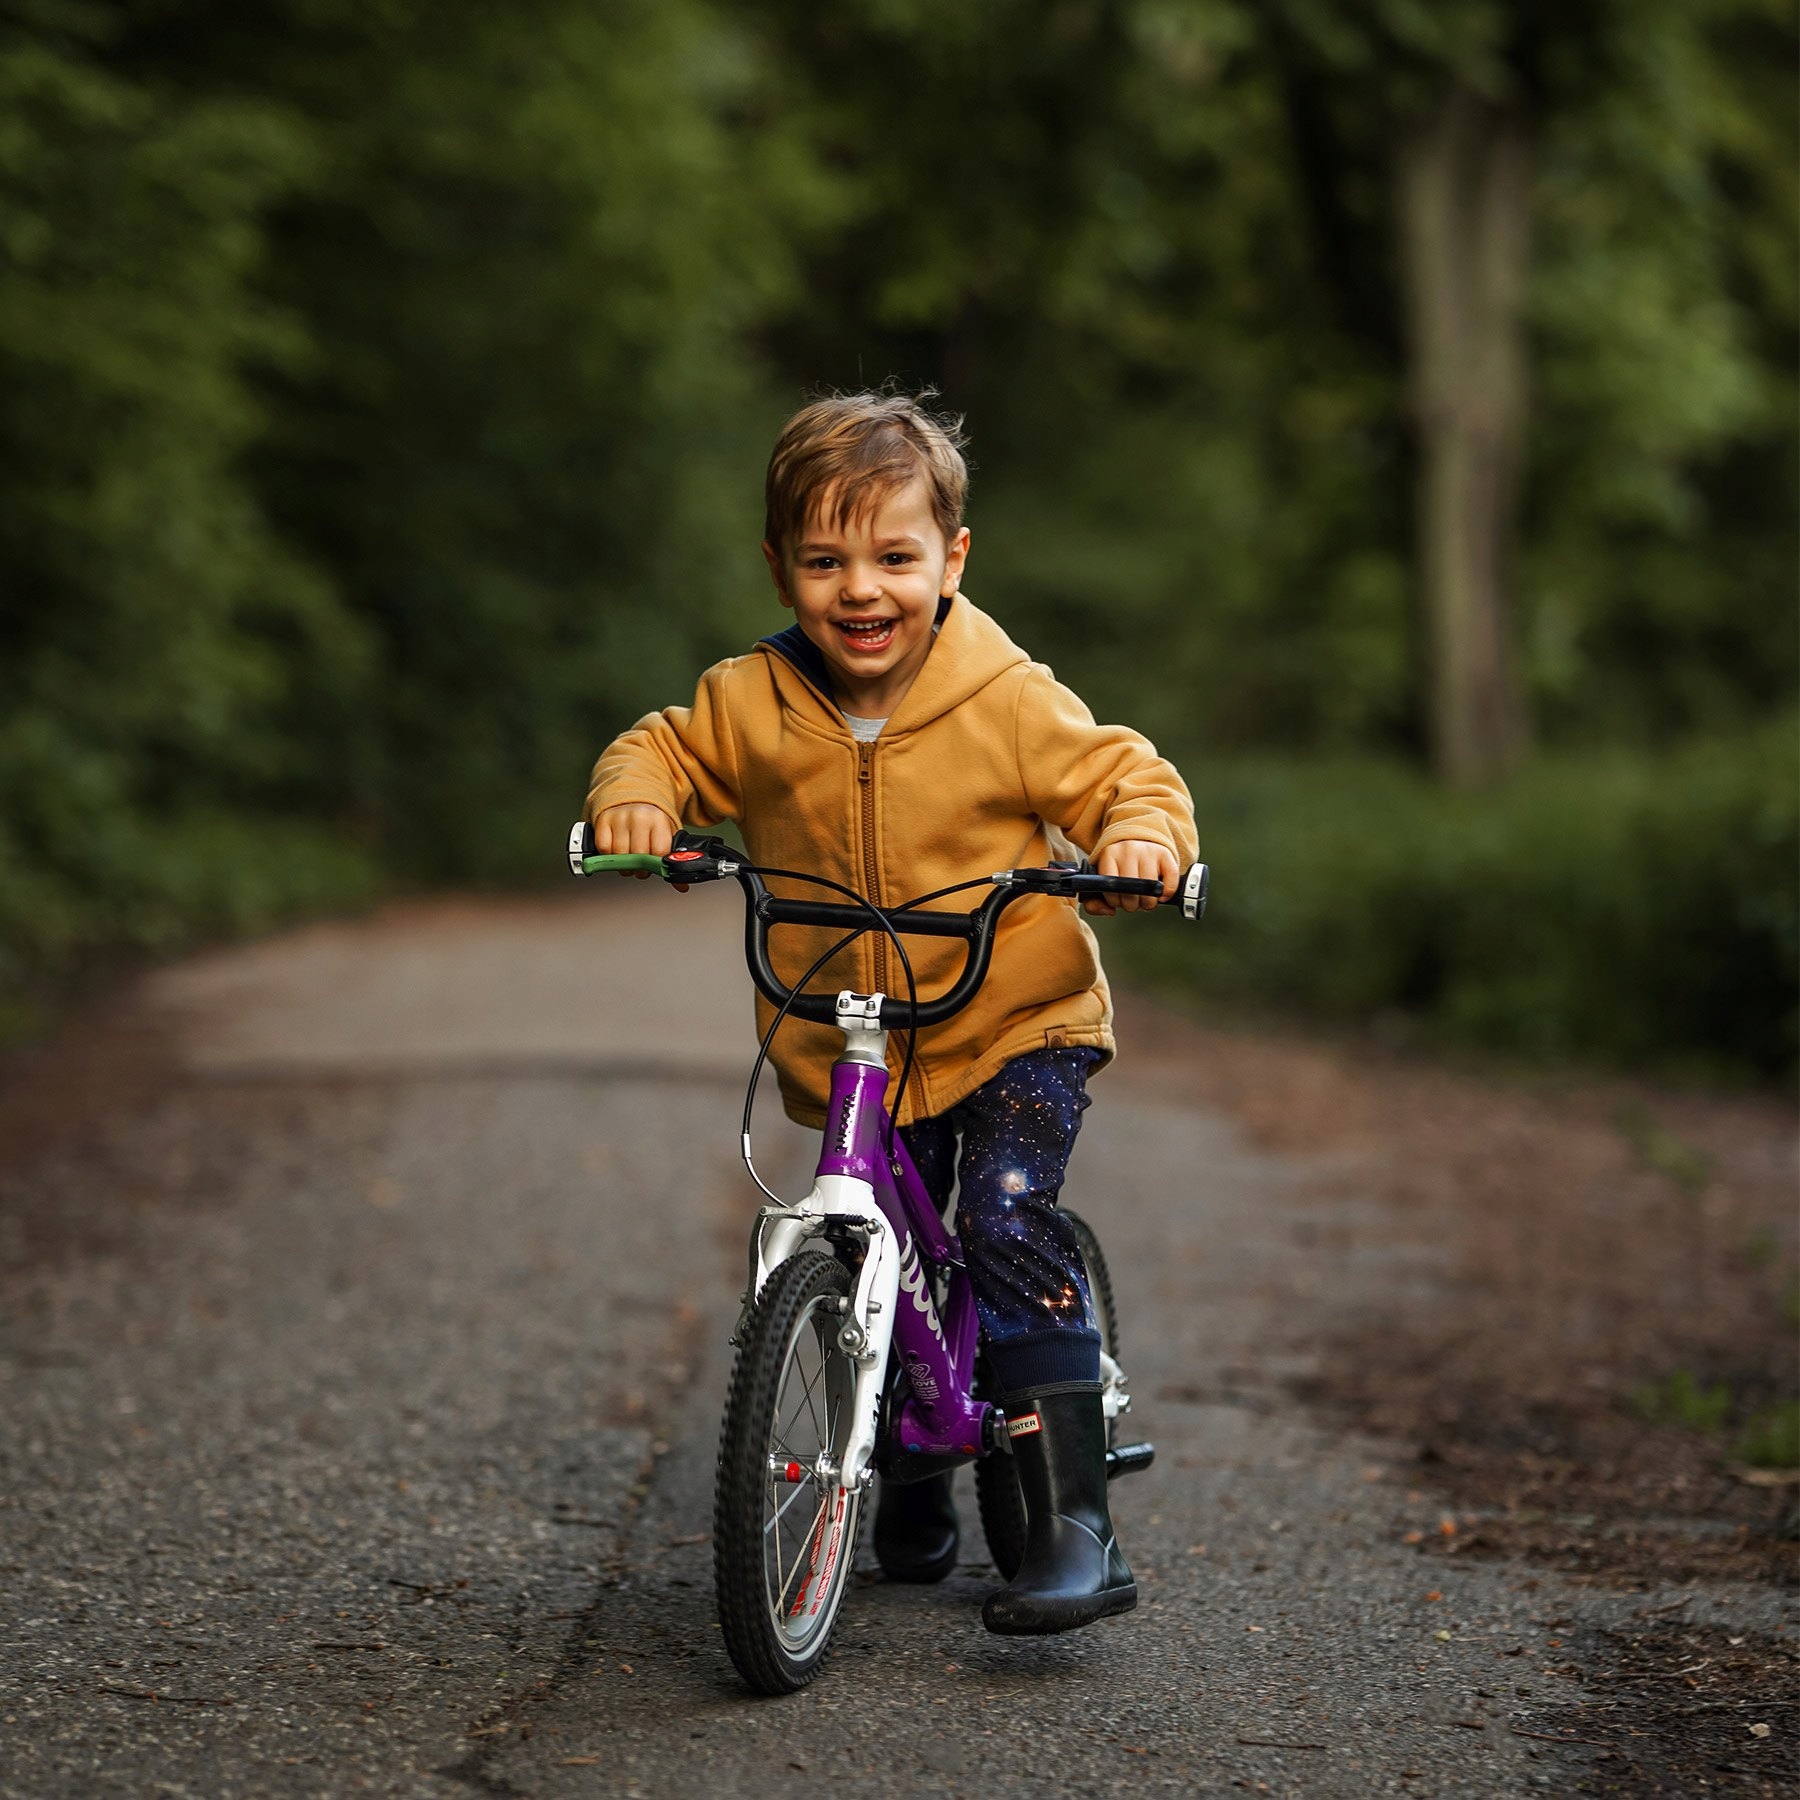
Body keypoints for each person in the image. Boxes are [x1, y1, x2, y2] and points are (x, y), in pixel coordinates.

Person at [585, 392, 1196, 1635]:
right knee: (876, 1248)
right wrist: (635, 805)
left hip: (1012, 1017)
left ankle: (1076, 1526)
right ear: (780, 566)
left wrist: (1138, 838)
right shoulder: (751, 700)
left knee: (1002, 1216)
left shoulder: (1006, 695)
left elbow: (1126, 773)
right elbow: (656, 748)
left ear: (951, 561)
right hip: (857, 1032)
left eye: (894, 557)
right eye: (824, 560)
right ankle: (911, 1463)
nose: (860, 589)